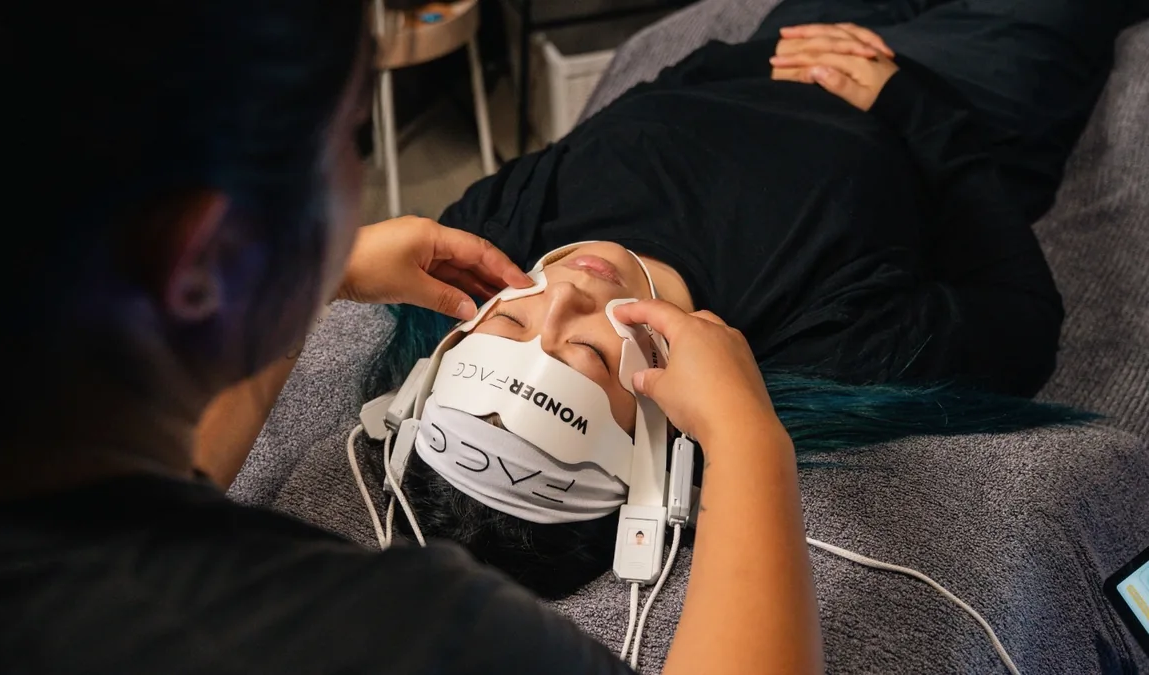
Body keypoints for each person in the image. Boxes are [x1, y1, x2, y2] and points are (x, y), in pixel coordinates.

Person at [0, 1, 823, 674]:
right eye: (355, 138)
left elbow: (145, 502)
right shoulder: (414, 639)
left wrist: (304, 275)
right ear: (207, 259)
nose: (556, 303)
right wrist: (749, 445)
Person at [368, 0, 1143, 599]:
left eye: (509, 316)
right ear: (659, 437)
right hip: (954, 95)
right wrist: (908, 101)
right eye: (588, 351)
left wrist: (767, 52)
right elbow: (1021, 311)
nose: (564, 289)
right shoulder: (828, 344)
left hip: (788, 44)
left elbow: (640, 108)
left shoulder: (483, 243)